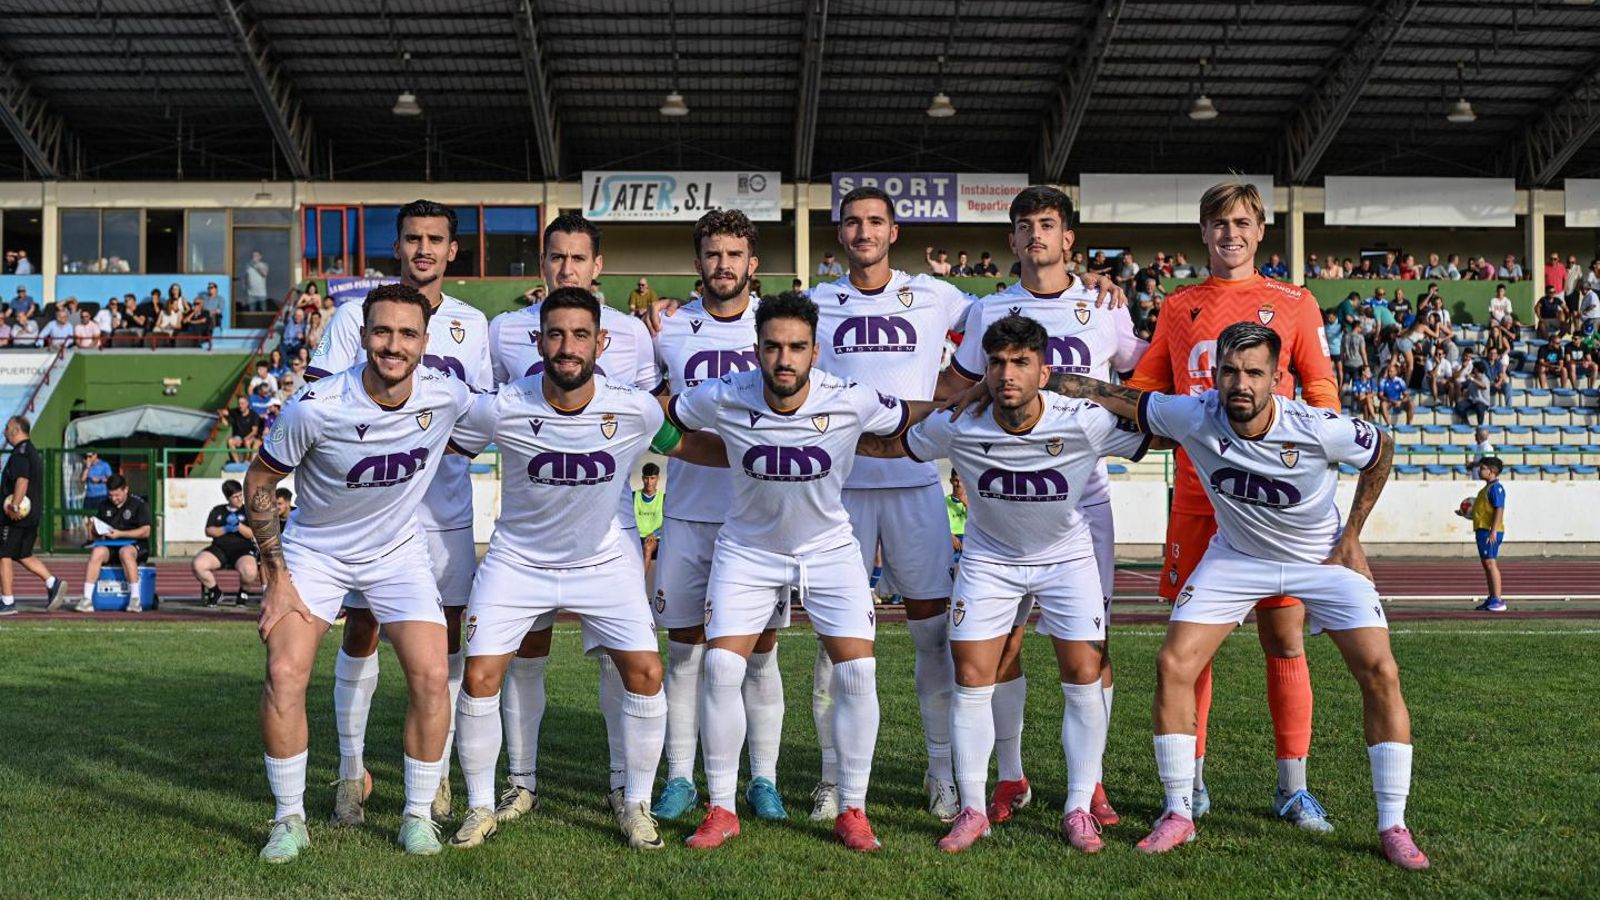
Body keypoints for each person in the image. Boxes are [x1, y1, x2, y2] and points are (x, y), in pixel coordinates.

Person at [1048, 322, 1428, 870]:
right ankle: (1179, 812)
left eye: (1253, 373)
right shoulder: (1194, 414)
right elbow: (1127, 400)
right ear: (1216, 373)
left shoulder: (1316, 427)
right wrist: (1060, 380)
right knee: (1174, 663)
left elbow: (1381, 449)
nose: (1240, 384)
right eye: (1229, 371)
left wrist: (1352, 536)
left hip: (1319, 561)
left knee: (1381, 672)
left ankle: (1393, 823)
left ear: (1277, 378)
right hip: (1236, 559)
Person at [858, 315, 1156, 853]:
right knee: (971, 676)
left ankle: (1078, 806)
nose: (1006, 373)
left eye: (1021, 362)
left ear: (1044, 370)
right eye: (996, 362)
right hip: (989, 561)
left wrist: (1076, 383)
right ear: (985, 370)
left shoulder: (1081, 420)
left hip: (1066, 558)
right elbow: (895, 446)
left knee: (1084, 674)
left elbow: (1152, 424)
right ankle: (973, 810)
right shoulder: (960, 423)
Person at [447, 288, 720, 852]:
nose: (566, 347)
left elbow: (686, 446)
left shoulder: (635, 406)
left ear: (600, 342)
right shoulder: (502, 405)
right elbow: (444, 446)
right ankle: (480, 806)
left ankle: (635, 802)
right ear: (539, 340)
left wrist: (757, 451)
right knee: (478, 677)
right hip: (517, 561)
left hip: (602, 562)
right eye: (555, 334)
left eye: (579, 335)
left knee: (645, 673)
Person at [664, 292, 936, 852]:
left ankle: (853, 809)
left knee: (857, 674)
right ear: (755, 349)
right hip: (746, 550)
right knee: (719, 667)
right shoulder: (723, 393)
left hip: (829, 549)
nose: (783, 359)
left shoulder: (850, 398)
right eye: (772, 347)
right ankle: (720, 807)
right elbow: (666, 421)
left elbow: (907, 420)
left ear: (815, 350)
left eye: (796, 347)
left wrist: (977, 395)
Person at [1122, 179, 1340, 831]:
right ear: (1203, 232)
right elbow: (1144, 387)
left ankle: (1292, 788)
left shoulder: (1295, 303)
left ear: (1261, 229)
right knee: (1195, 648)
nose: (1231, 234)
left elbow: (1322, 384)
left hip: (1274, 507)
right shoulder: (1178, 305)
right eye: (1219, 223)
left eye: (1242, 222)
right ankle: (1191, 785)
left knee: (1283, 636)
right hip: (1198, 499)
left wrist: (1319, 438)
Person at [244, 283, 473, 862]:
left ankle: (417, 817)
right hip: (316, 551)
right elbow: (259, 484)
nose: (392, 345)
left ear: (425, 342)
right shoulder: (316, 406)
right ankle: (288, 818)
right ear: (363, 335)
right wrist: (277, 577)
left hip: (396, 552)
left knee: (429, 674)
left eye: (407, 334)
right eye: (382, 332)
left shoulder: (446, 396)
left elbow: (518, 415)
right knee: (285, 672)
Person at [937, 184, 1142, 828]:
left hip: (1084, 505)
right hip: (1004, 506)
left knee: (1090, 651)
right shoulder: (988, 309)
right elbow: (957, 388)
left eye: (1048, 225)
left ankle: (1093, 783)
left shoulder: (1104, 305)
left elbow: (1141, 382)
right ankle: (1009, 775)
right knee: (1002, 646)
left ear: (1069, 238)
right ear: (1011, 239)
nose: (1035, 236)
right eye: (1024, 225)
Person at [309, 201, 492, 828]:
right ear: (399, 245)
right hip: (367, 516)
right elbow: (324, 410)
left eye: (435, 240)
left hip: (443, 512)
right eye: (413, 238)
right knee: (361, 633)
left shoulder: (473, 325)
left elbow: (477, 421)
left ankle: (433, 776)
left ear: (452, 251)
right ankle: (349, 771)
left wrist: (432, 433)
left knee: (444, 647)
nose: (423, 249)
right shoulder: (348, 319)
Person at [813, 184, 984, 820]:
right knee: (838, 644)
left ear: (894, 233)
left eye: (875, 222)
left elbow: (1005, 316)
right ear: (840, 233)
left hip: (914, 487)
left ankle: (940, 773)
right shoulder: (815, 302)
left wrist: (1091, 287)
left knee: (933, 636)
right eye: (852, 222)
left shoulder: (937, 296)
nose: (863, 232)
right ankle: (832, 779)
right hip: (837, 491)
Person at [485, 213, 661, 822]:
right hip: (530, 524)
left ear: (598, 266)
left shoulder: (635, 335)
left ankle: (623, 786)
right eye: (556, 257)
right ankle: (521, 781)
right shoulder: (506, 330)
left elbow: (644, 418)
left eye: (578, 258)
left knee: (624, 658)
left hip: (606, 523)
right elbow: (495, 416)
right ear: (543, 264)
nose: (567, 268)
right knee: (525, 655)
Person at [648, 209, 791, 824]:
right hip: (685, 512)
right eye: (713, 254)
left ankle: (763, 778)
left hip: (758, 521)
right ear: (697, 262)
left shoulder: (778, 329)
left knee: (761, 653)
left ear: (752, 265)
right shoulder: (671, 332)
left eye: (735, 254)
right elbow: (653, 413)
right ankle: (681, 776)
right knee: (684, 650)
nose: (723, 264)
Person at [1, 416, 67, 615]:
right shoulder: (31, 451)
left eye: (7, 427)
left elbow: (22, 481)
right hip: (31, 514)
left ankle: (7, 601)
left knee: (2, 554)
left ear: (16, 430)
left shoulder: (21, 453)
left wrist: (13, 506)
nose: (4, 430)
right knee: (22, 554)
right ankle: (52, 582)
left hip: (17, 515)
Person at [76, 475, 152, 613]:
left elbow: (145, 531)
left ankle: (135, 599)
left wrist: (120, 534)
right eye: (111, 495)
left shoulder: (139, 504)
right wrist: (93, 529)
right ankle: (86, 599)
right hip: (112, 545)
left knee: (126, 552)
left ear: (126, 490)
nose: (114, 499)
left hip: (135, 545)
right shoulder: (104, 505)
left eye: (117, 495)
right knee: (97, 552)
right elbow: (97, 534)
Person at [193, 479, 261, 608]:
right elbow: (209, 531)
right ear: (228, 498)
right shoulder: (218, 510)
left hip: (243, 549)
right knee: (198, 564)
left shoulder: (248, 510)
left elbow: (253, 534)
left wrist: (238, 526)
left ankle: (243, 592)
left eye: (241, 495)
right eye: (235, 497)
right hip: (220, 548)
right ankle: (215, 591)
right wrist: (225, 528)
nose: (239, 499)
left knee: (250, 570)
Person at [1459, 457, 1507, 613]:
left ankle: (1498, 600)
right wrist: (1465, 514)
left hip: (1489, 532)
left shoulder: (1496, 488)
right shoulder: (1485, 490)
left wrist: (1493, 531)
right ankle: (1492, 597)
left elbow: (1499, 510)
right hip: (1483, 530)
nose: (1480, 471)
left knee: (1490, 564)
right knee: (1487, 565)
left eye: (1483, 468)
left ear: (1492, 471)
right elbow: (1482, 512)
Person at [636, 462, 663, 575]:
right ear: (642, 478)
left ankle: (639, 584)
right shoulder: (633, 496)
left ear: (658, 478)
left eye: (652, 478)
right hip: (635, 536)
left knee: (647, 548)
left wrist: (654, 534)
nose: (649, 482)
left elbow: (669, 523)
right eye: (646, 478)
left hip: (654, 538)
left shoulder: (664, 498)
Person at [224, 395, 262, 463]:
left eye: (242, 403)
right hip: (237, 438)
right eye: (239, 403)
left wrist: (244, 439)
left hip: (250, 437)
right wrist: (221, 414)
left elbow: (254, 431)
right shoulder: (235, 411)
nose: (240, 405)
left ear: (247, 404)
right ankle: (237, 463)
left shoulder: (254, 415)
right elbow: (225, 413)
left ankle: (248, 461)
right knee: (230, 441)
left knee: (248, 442)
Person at [1379, 361, 1413, 426]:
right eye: (1389, 371)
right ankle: (1389, 424)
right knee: (1383, 404)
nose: (1389, 373)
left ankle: (1408, 424)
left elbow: (1406, 395)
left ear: (1396, 372)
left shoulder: (1400, 381)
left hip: (1398, 401)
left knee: (1411, 403)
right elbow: (1380, 396)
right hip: (1388, 401)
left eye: (1391, 371)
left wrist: (1400, 401)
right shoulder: (1383, 381)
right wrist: (1390, 400)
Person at [946, 471, 967, 554]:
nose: (959, 484)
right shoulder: (944, 501)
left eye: (962, 481)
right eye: (956, 480)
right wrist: (950, 536)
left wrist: (966, 504)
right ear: (951, 481)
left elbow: (979, 522)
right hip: (953, 538)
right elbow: (938, 524)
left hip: (970, 538)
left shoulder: (972, 500)